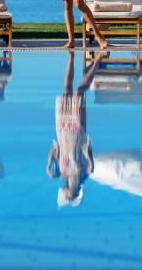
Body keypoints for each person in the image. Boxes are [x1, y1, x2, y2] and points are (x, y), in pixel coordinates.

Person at [46, 50, 105, 207]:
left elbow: (54, 148)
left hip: (62, 129)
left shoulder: (60, 174)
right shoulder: (84, 175)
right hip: (77, 131)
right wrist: (91, 162)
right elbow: (87, 149)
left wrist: (48, 165)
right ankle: (98, 60)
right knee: (79, 92)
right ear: (75, 193)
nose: (67, 195)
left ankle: (71, 56)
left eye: (66, 197)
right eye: (70, 197)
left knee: (66, 89)